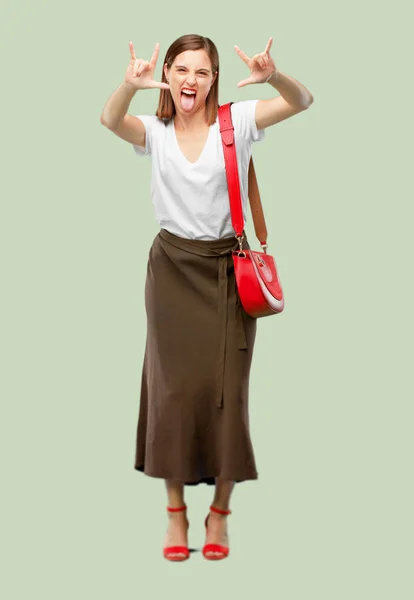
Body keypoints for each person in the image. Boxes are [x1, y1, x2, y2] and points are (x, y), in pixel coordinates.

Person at [100, 33, 313, 562]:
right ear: (167, 74)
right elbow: (109, 121)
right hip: (171, 269)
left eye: (202, 71)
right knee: (170, 392)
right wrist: (126, 86)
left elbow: (301, 102)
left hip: (227, 271)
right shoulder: (154, 130)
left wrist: (275, 76)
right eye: (182, 69)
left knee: (228, 393)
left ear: (214, 77)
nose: (191, 79)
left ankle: (220, 513)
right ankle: (175, 511)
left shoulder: (237, 122)